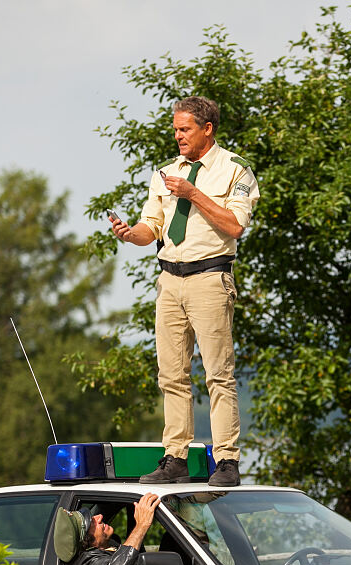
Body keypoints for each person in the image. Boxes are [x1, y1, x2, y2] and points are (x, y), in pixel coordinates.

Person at [110, 95, 259, 488]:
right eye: (175, 129)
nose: (177, 136)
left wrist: (193, 194)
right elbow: (151, 229)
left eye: (184, 129)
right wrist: (130, 234)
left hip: (210, 277)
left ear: (207, 129)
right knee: (170, 375)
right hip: (169, 280)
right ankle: (174, 456)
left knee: (218, 374)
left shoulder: (235, 170)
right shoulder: (164, 173)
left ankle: (226, 460)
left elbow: (235, 226)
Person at [54, 493, 161, 565]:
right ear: (86, 541)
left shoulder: (111, 546)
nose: (99, 516)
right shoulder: (90, 562)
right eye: (92, 522)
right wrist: (141, 525)